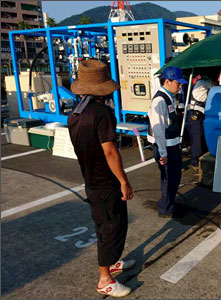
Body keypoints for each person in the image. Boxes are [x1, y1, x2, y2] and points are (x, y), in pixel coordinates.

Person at [68, 59, 135, 297]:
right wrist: (124, 181)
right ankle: (105, 279)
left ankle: (113, 262)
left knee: (103, 225)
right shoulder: (102, 113)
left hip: (90, 180)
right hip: (106, 182)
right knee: (112, 226)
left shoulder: (74, 114)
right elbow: (109, 150)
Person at [147, 66, 187, 218]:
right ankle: (166, 208)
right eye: (178, 83)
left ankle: (166, 202)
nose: (180, 86)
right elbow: (158, 129)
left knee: (172, 177)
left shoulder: (168, 96)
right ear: (168, 81)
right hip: (166, 147)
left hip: (171, 145)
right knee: (170, 178)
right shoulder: (160, 100)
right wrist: (163, 153)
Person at [186, 75, 217, 170]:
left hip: (198, 113)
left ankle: (197, 160)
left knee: (200, 138)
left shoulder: (202, 82)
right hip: (196, 114)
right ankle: (195, 163)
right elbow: (215, 84)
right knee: (197, 139)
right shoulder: (203, 82)